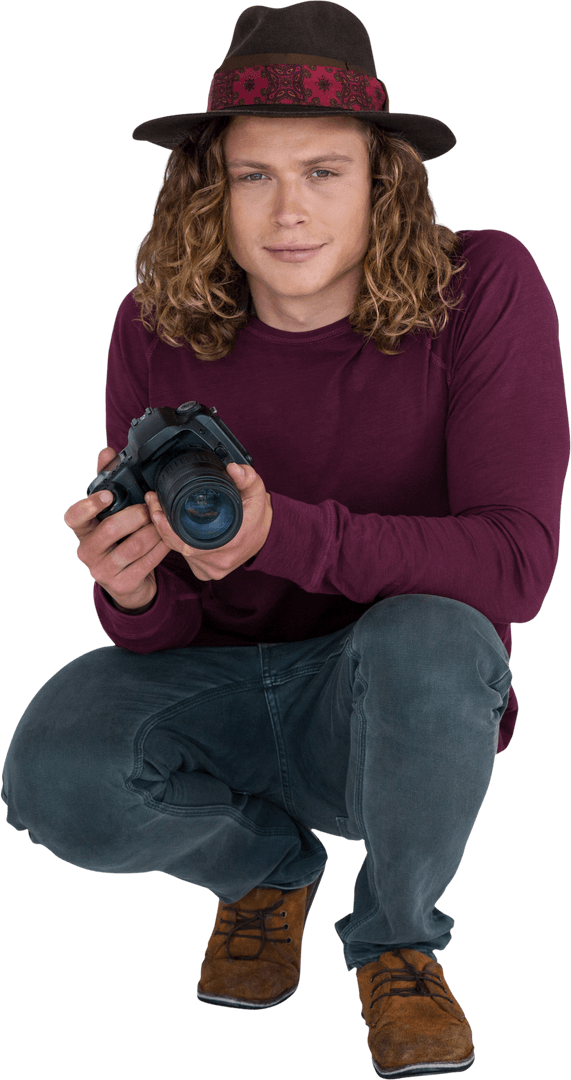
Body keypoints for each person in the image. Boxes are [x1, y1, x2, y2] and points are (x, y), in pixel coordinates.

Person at [2, 2, 569, 1076]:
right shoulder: (152, 323)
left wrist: (284, 535)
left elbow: (516, 566)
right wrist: (131, 587)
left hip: (398, 720)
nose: (286, 212)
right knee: (52, 779)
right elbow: (163, 634)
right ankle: (264, 870)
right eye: (252, 176)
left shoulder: (481, 287)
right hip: (223, 688)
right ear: (207, 189)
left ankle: (396, 942)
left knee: (438, 635)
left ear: (381, 182)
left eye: (323, 172)